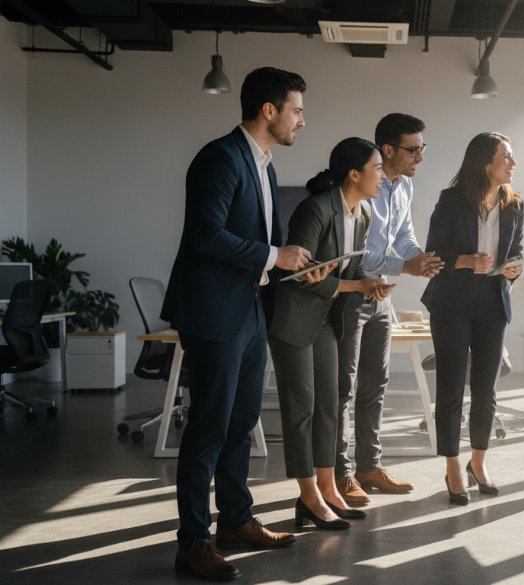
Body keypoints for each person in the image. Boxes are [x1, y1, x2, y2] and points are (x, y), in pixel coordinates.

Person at [162, 67, 316, 581]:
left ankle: (235, 520)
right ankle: (192, 543)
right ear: (268, 111)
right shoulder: (219, 157)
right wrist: (275, 254)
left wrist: (290, 263)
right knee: (208, 424)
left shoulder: (265, 163)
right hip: (213, 311)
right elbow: (205, 235)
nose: (302, 118)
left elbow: (258, 245)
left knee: (242, 419)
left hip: (250, 308)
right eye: (296, 109)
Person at [268, 138, 395, 531]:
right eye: (377, 169)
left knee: (330, 399)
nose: (382, 177)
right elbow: (294, 273)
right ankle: (308, 494)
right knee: (301, 404)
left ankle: (328, 486)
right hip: (292, 315)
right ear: (354, 174)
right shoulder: (316, 208)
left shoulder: (366, 213)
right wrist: (353, 286)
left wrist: (369, 283)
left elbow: (348, 272)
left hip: (325, 316)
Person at [334, 113, 444, 505]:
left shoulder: (402, 189)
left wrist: (419, 258)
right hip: (351, 294)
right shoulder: (364, 185)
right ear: (388, 150)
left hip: (381, 297)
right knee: (343, 388)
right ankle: (341, 473)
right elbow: (359, 255)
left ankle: (369, 466)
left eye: (422, 149)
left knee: (375, 384)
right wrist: (405, 266)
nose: (420, 157)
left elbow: (402, 236)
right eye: (414, 150)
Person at [421, 132, 524, 505]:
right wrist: (463, 261)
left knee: (486, 391)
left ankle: (477, 463)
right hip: (451, 301)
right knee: (450, 389)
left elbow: (518, 251)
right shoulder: (452, 201)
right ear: (485, 163)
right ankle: (451, 467)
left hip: (493, 302)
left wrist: (515, 268)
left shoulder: (514, 204)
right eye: (506, 157)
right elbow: (433, 252)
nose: (513, 163)